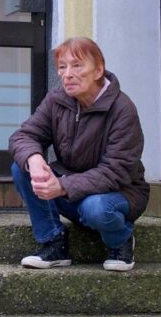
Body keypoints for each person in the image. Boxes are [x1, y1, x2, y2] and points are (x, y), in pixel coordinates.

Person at [8, 37, 149, 272]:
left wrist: (63, 186)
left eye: (77, 66)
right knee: (22, 168)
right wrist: (34, 158)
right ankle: (53, 243)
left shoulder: (122, 109)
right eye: (62, 67)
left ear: (98, 70)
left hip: (118, 193)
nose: (67, 75)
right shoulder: (57, 100)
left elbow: (116, 171)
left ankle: (120, 241)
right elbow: (23, 136)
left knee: (96, 209)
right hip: (72, 188)